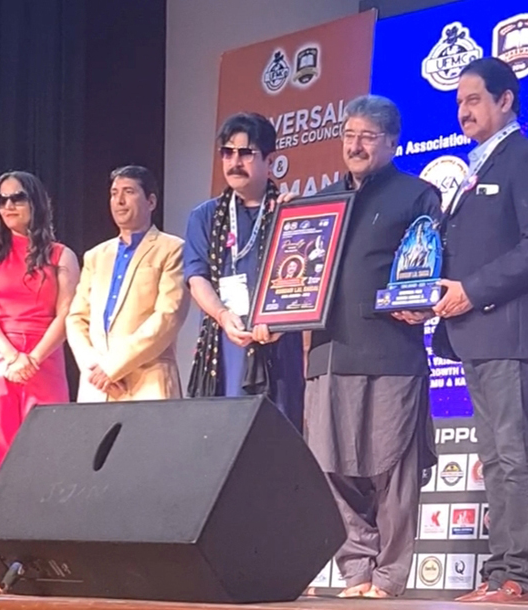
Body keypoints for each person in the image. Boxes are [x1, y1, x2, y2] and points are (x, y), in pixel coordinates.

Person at [281, 94, 439, 598]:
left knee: (392, 467)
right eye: (349, 135)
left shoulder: (418, 195)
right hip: (328, 353)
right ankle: (357, 570)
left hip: (392, 352)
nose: (356, 145)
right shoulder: (316, 204)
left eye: (368, 136)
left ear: (392, 142)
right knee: (330, 466)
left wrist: (427, 298)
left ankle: (390, 575)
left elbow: (431, 266)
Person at [432, 58, 528, 603]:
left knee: (512, 456)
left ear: (505, 100)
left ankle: (519, 576)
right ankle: (498, 574)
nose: (464, 110)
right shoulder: (475, 167)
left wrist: (474, 290)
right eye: (459, 101)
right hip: (473, 334)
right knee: (494, 458)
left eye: (474, 99)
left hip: (508, 332)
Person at [184, 113, 304, 431]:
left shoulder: (290, 211)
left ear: (270, 160)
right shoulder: (205, 216)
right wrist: (223, 316)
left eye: (245, 153)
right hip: (224, 343)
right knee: (221, 440)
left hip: (276, 344)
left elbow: (303, 284)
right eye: (228, 152)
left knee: (276, 445)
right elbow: (196, 278)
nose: (234, 162)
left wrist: (280, 320)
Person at [0, 171, 79, 496]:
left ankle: (41, 541)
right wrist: (12, 356)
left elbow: (67, 314)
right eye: (2, 199)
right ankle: (3, 541)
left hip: (43, 358)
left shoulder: (61, 255)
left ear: (36, 202)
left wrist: (33, 358)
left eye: (17, 197)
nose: (9, 205)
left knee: (47, 454)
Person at [66, 166, 189, 402]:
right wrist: (93, 368)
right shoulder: (96, 255)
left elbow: (168, 316)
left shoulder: (172, 248)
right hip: (98, 386)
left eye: (129, 192)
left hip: (148, 383)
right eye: (114, 193)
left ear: (151, 201)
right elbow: (76, 318)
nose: (119, 201)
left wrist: (113, 367)